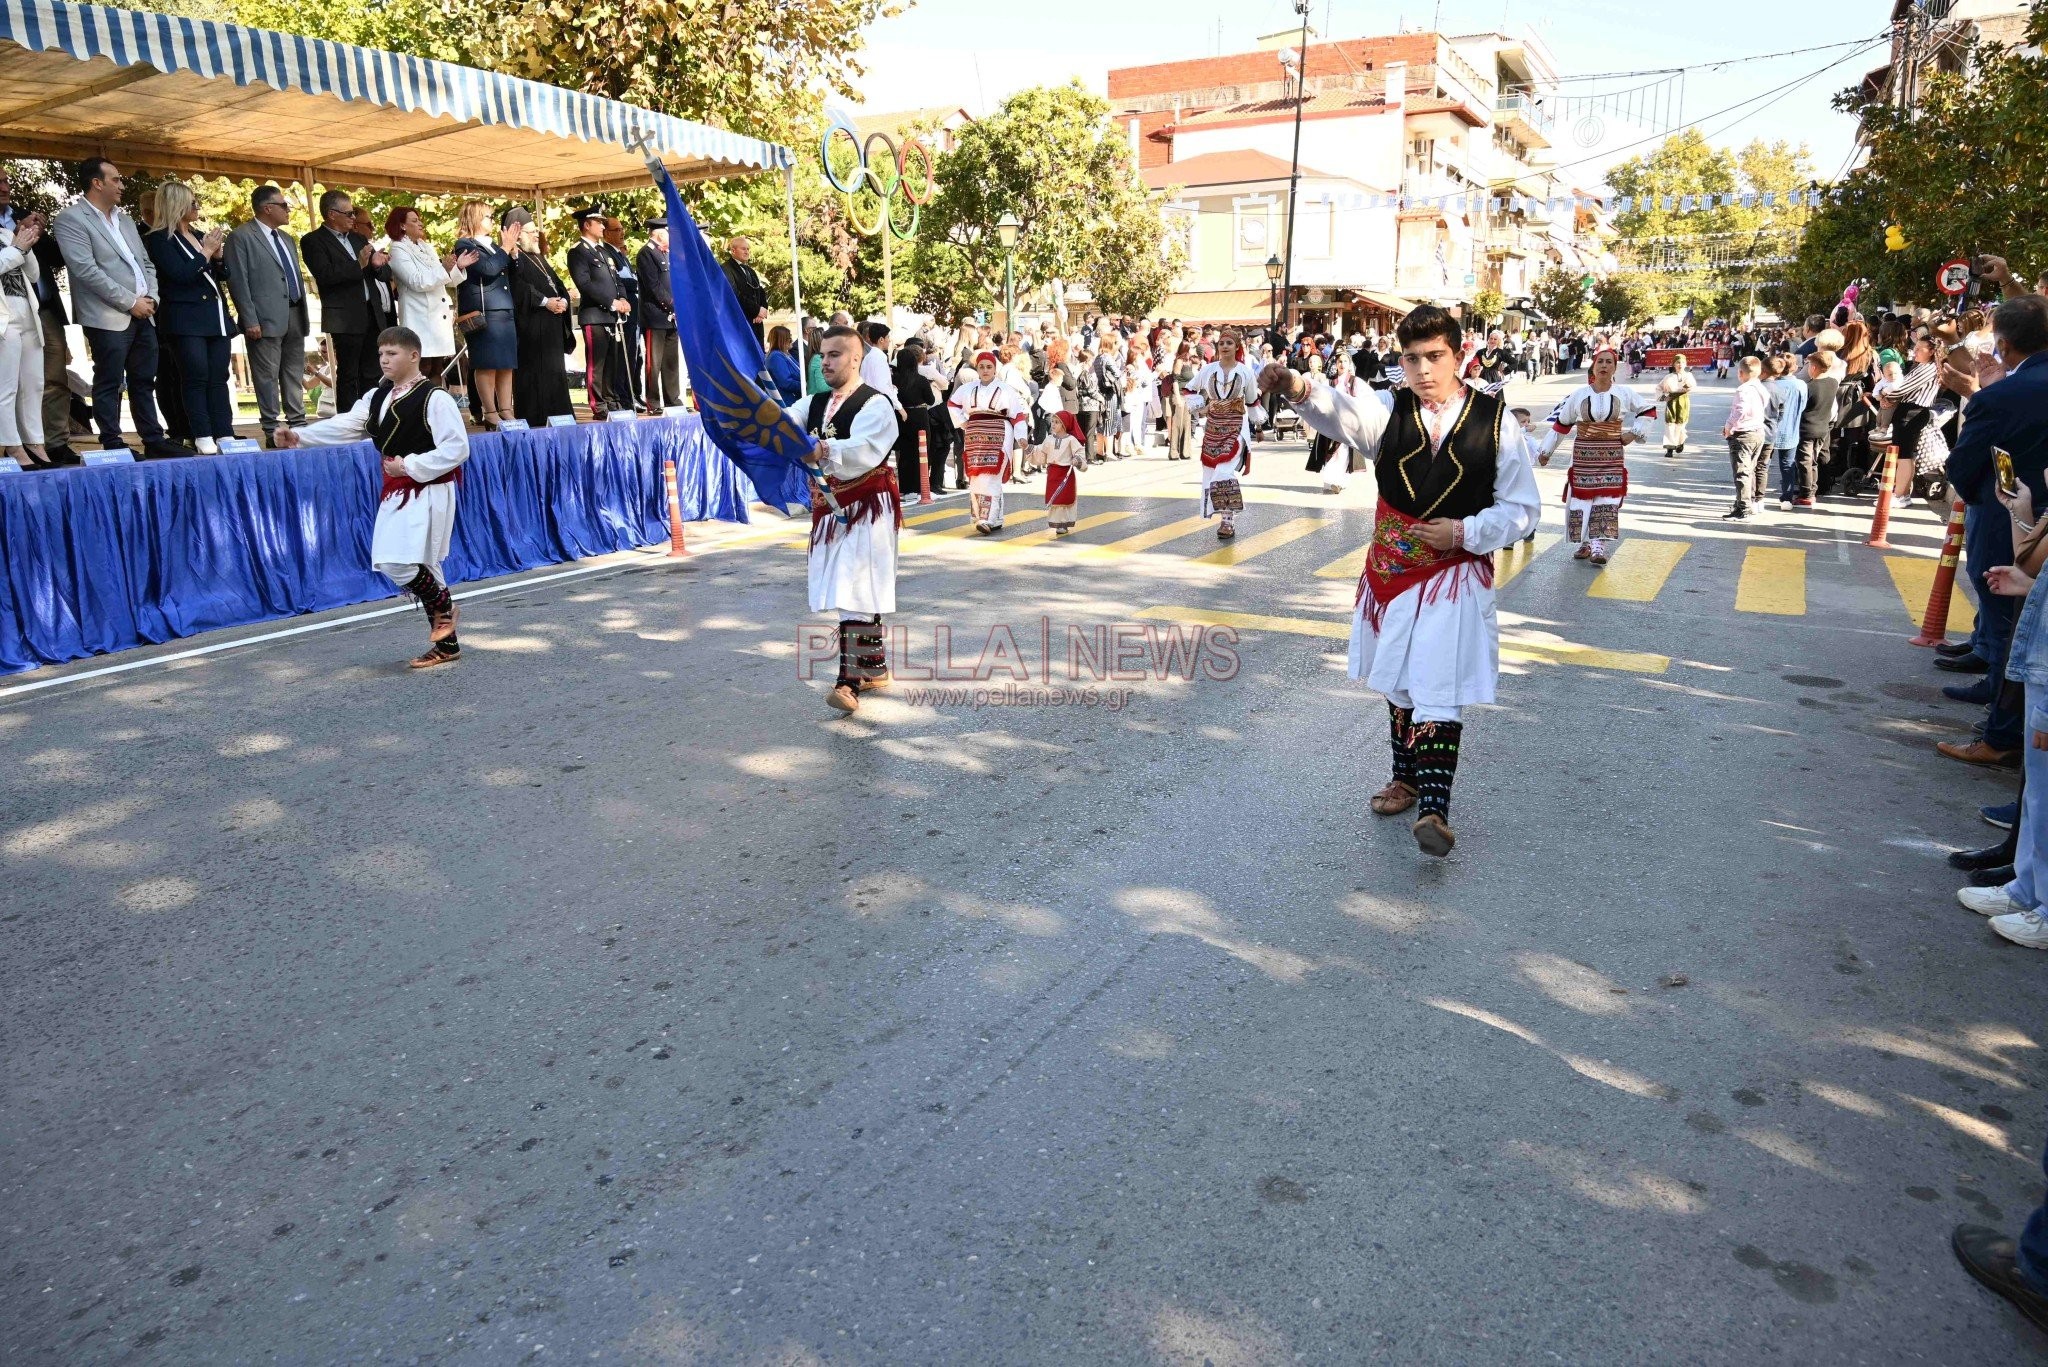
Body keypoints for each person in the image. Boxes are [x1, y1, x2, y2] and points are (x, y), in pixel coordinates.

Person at [1259, 305, 1541, 858]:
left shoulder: (1496, 421)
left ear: (1460, 355)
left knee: (1437, 683)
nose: (1423, 369)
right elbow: (1342, 415)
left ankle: (1434, 808)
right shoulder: (1391, 410)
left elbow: (1524, 510)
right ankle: (1405, 778)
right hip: (1389, 573)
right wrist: (1296, 384)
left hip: (1451, 575)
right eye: (1411, 358)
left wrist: (1465, 531)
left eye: (1435, 356)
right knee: (1399, 681)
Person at [275, 326, 470, 668]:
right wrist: (299, 436)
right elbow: (346, 425)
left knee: (397, 560)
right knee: (420, 562)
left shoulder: (434, 398)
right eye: (381, 354)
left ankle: (442, 607)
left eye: (392, 353)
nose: (384, 360)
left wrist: (409, 465)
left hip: (431, 487)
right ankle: (448, 644)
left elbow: (457, 448)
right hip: (397, 487)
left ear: (414, 356)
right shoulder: (377, 396)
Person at [1936, 296, 2048, 768]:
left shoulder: (2002, 395)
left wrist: (1979, 393)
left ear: (2002, 343)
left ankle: (2001, 736)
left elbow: (1962, 461)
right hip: (2026, 516)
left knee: (2011, 624)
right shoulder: (2009, 387)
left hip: (2012, 518)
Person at [787, 325, 901, 713]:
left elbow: (865, 448)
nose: (826, 361)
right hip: (829, 506)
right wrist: (765, 418)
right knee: (854, 586)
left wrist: (823, 448)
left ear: (856, 358)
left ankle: (848, 680)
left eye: (835, 354)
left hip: (867, 503)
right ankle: (875, 667)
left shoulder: (876, 404)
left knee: (854, 586)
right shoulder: (814, 402)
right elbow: (786, 423)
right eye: (822, 355)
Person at [53, 156, 183, 457]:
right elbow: (85, 270)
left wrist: (151, 298)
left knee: (143, 380)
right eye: (116, 179)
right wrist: (130, 302)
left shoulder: (124, 220)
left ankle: (152, 439)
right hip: (107, 315)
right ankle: (112, 442)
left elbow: (145, 263)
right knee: (110, 381)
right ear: (97, 183)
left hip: (144, 313)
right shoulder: (71, 219)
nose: (122, 185)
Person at [141, 180, 237, 455]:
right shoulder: (159, 239)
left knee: (219, 377)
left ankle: (224, 431)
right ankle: (202, 432)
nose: (196, 207)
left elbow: (221, 275)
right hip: (185, 319)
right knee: (195, 376)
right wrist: (205, 252)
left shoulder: (199, 234)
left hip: (214, 316)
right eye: (191, 202)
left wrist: (217, 257)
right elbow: (179, 276)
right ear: (176, 205)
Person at [1536, 349, 1653, 565]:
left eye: (1609, 362)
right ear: (1594, 366)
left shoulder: (1624, 393)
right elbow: (1562, 424)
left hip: (1611, 456)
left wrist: (1634, 433)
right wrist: (1546, 452)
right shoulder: (1579, 395)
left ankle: (1599, 545)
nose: (1604, 366)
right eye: (1600, 362)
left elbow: (1648, 411)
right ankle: (1585, 543)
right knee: (1581, 498)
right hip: (1583, 457)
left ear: (1614, 367)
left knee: (1607, 499)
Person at [221, 184, 310, 449]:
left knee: (293, 373)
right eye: (283, 205)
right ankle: (272, 428)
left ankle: (298, 424)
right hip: (264, 318)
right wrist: (249, 318)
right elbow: (238, 280)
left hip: (295, 312)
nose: (288, 210)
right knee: (266, 375)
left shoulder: (286, 239)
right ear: (267, 208)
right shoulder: (241, 236)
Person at [300, 189, 389, 413]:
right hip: (345, 317)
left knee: (372, 371)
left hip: (371, 312)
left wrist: (378, 265)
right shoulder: (313, 241)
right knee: (349, 373)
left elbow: (382, 276)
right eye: (348, 214)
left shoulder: (359, 238)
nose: (353, 218)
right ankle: (348, 421)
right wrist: (358, 264)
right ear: (332, 214)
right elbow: (326, 275)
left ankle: (371, 418)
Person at [384, 205, 473, 383]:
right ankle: (419, 406)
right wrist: (444, 269)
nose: (421, 224)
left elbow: (445, 279)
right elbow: (416, 281)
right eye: (414, 221)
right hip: (419, 316)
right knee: (422, 366)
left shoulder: (426, 247)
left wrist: (458, 267)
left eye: (420, 220)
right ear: (402, 226)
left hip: (436, 319)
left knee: (437, 368)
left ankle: (434, 406)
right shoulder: (398, 249)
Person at [1186, 331, 1260, 540]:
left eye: (1229, 343)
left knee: (1224, 474)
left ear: (1237, 346)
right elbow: (1189, 389)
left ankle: (1227, 522)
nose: (1224, 346)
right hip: (1213, 427)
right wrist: (1201, 405)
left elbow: (1253, 401)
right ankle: (1225, 518)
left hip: (1237, 427)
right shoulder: (1208, 370)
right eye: (1221, 343)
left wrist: (1260, 428)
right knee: (1212, 475)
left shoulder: (1246, 372)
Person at [947, 350, 1029, 534]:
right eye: (981, 367)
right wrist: (962, 422)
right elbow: (952, 404)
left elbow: (1017, 414)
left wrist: (1021, 436)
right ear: (977, 368)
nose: (985, 370)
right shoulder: (968, 388)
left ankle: (988, 519)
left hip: (999, 433)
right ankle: (987, 517)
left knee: (991, 476)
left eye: (989, 367)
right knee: (976, 476)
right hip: (975, 434)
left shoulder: (1005, 389)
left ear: (995, 369)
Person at [452, 201, 516, 427]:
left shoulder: (492, 245)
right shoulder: (465, 243)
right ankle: (490, 411)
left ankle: (506, 408)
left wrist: (511, 252)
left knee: (506, 363)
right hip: (483, 311)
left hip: (503, 308)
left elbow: (505, 271)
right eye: (488, 216)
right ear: (475, 218)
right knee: (487, 363)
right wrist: (505, 248)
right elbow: (488, 269)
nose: (492, 221)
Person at [566, 207, 629, 418]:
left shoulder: (603, 252)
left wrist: (623, 298)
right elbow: (584, 284)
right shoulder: (577, 252)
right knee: (597, 362)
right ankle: (599, 404)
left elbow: (616, 279)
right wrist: (611, 302)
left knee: (613, 361)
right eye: (599, 222)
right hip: (594, 314)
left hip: (612, 315)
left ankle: (612, 400)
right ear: (587, 224)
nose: (603, 226)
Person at [509, 220, 573, 425]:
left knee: (555, 372)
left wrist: (563, 300)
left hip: (552, 325)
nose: (537, 235)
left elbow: (558, 284)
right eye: (532, 231)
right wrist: (545, 302)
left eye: (537, 230)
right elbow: (519, 287)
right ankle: (536, 418)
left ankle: (559, 415)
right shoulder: (515, 257)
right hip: (532, 327)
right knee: (535, 375)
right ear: (518, 234)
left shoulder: (539, 258)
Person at [0, 201, 48, 466]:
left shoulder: (7, 233)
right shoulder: (11, 241)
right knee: (5, 387)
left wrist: (23, 240)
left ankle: (35, 443)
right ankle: (12, 446)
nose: (5, 188)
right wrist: (17, 248)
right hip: (3, 317)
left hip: (27, 314)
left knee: (33, 383)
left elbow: (33, 274)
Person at [636, 218, 681, 410]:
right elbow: (653, 285)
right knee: (653, 363)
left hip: (671, 317)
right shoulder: (646, 253)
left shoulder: (665, 253)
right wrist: (671, 304)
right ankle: (653, 402)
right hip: (655, 315)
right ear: (660, 233)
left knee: (671, 362)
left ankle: (673, 400)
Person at [602, 218, 645, 412]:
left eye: (622, 228)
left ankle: (630, 395)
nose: (622, 233)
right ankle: (621, 396)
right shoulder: (606, 252)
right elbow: (620, 280)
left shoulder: (621, 253)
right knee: (622, 357)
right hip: (621, 313)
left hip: (633, 311)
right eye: (617, 229)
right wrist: (632, 284)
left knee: (634, 356)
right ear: (606, 233)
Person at [1721, 356, 1771, 520]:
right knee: (1749, 470)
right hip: (1758, 431)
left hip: (1743, 434)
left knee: (1741, 472)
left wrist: (1729, 426)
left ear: (1741, 372)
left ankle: (1744, 508)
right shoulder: (1761, 388)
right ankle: (1741, 504)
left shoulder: (1743, 390)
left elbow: (1739, 410)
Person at [891, 339, 939, 500]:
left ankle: (906, 487)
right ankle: (921, 486)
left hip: (902, 416)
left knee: (905, 453)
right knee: (923, 451)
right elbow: (931, 400)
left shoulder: (895, 380)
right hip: (920, 416)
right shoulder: (921, 380)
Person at [1794, 349, 1839, 509]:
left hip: (1807, 428)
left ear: (1813, 368)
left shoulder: (1809, 387)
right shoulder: (1833, 382)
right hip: (1823, 428)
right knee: (1813, 460)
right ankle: (1812, 489)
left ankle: (1806, 493)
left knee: (1804, 461)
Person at [1764, 354, 1809, 512]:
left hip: (1768, 429)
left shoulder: (1770, 385)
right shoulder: (1801, 385)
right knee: (1788, 465)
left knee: (1762, 465)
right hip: (1791, 428)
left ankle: (1757, 495)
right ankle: (1787, 498)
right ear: (1795, 367)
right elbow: (1803, 406)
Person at [1042, 409, 1088, 534]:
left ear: (1064, 425)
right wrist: (1028, 448)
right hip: (1053, 472)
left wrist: (1076, 460)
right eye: (1052, 421)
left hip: (1066, 473)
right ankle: (1057, 523)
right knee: (1055, 499)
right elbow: (1041, 453)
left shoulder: (1071, 440)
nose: (1053, 424)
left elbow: (1079, 452)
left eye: (1057, 422)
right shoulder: (1049, 440)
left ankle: (1063, 524)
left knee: (1064, 498)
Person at [723, 236, 769, 340]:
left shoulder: (750, 271)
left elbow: (760, 291)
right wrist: (756, 310)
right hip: (742, 324)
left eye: (748, 249)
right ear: (733, 250)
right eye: (743, 249)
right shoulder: (726, 269)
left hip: (757, 324)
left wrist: (762, 311)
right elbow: (734, 294)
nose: (747, 252)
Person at [1655, 355, 1695, 456]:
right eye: (1677, 362)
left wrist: (1683, 389)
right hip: (1671, 402)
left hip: (1683, 402)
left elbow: (1691, 385)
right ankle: (1669, 448)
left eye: (1682, 362)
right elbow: (1659, 388)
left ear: (1685, 364)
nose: (1680, 365)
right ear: (1674, 364)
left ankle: (1680, 442)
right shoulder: (1668, 377)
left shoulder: (1688, 375)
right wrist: (1664, 397)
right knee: (1670, 424)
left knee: (1681, 424)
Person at [766, 325, 803, 404]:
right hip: (786, 402)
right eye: (789, 338)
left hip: (794, 399)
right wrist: (804, 385)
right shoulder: (776, 356)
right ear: (781, 340)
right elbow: (786, 383)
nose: (792, 340)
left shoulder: (786, 354)